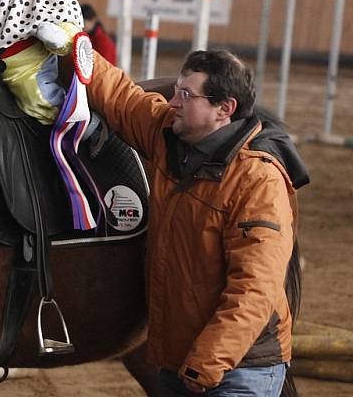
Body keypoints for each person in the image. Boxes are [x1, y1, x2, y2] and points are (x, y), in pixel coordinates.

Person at [84, 47, 305, 396]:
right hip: (180, 363)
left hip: (237, 369)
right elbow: (121, 97)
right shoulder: (168, 135)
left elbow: (254, 289)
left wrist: (208, 362)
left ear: (224, 109)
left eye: (186, 94)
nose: (172, 102)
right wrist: (72, 41)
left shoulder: (257, 182)